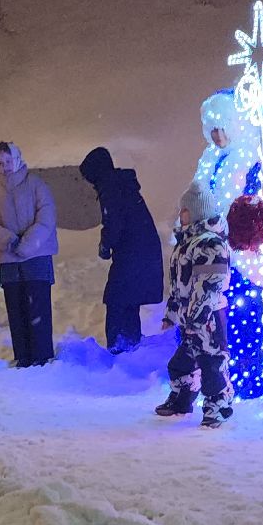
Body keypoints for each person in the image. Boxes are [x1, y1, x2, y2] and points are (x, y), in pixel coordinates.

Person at [155, 182, 235, 428]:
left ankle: (218, 406)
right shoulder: (186, 243)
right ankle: (182, 397)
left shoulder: (210, 244)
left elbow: (210, 284)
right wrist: (172, 314)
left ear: (198, 212)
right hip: (190, 320)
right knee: (181, 364)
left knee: (212, 363)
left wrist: (198, 316)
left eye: (185, 211)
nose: (181, 215)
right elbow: (179, 285)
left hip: (207, 318)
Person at [0, 141, 58, 367]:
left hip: (37, 260)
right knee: (16, 311)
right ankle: (22, 356)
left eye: (8, 161)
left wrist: (27, 244)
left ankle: (42, 357)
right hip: (10, 262)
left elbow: (46, 219)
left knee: (38, 309)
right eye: (0, 163)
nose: (5, 167)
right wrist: (8, 241)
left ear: (18, 158)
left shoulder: (37, 186)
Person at [79, 146, 163, 353]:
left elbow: (114, 222)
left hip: (132, 251)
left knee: (116, 298)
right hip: (142, 249)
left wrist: (105, 245)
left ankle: (119, 346)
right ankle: (131, 343)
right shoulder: (121, 184)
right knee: (128, 298)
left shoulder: (110, 187)